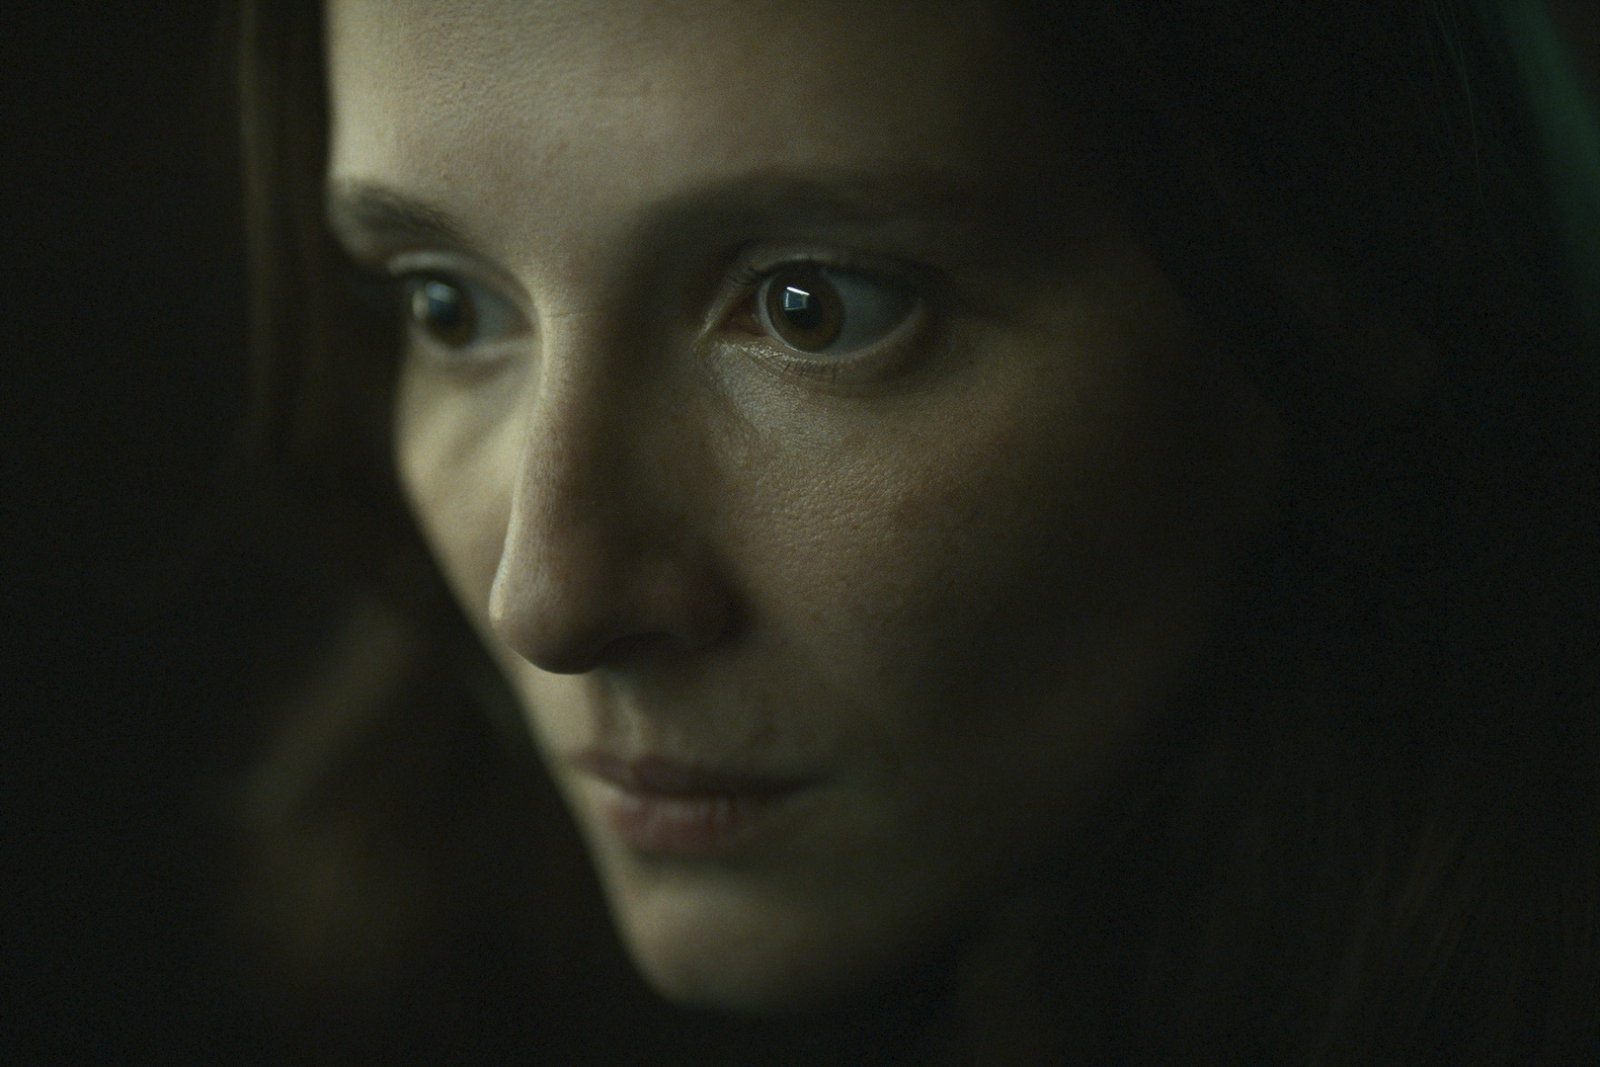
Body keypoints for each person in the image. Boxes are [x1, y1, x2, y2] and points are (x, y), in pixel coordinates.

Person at [222, 0, 1600, 1062]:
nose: (550, 603)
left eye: (811, 308)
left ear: (1345, 292)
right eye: (447, 305)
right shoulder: (416, 939)